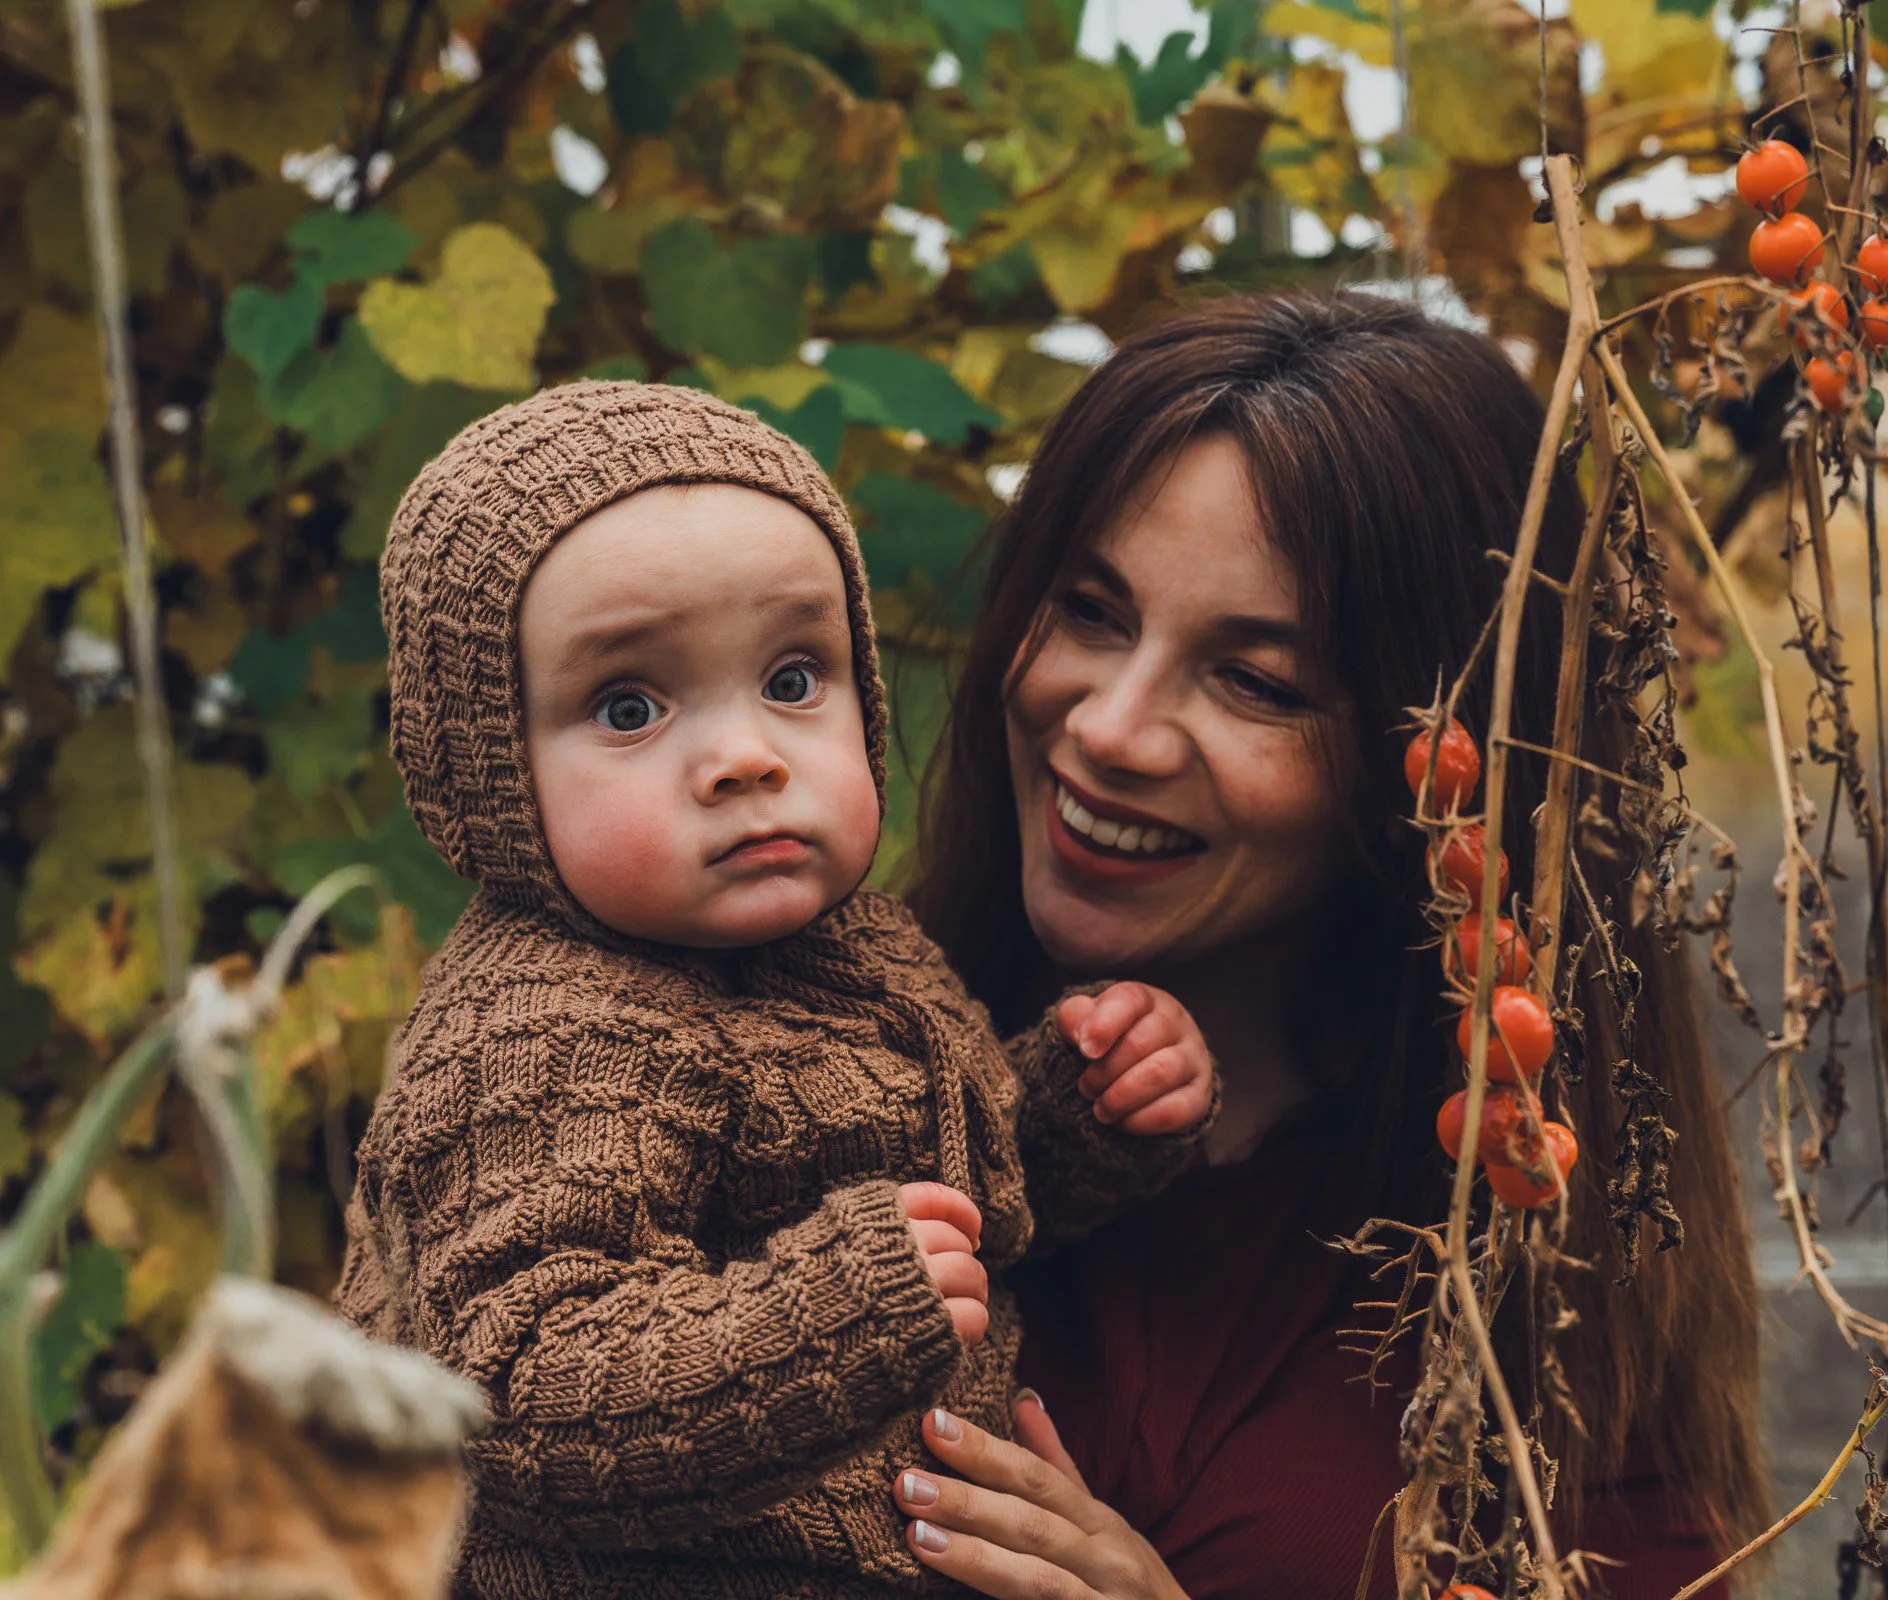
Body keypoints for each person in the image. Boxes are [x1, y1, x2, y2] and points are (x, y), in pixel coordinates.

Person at [891, 290, 1768, 1598]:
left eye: (1256, 683)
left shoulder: (1550, 1304)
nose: (1112, 729)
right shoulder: (794, 1089)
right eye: (1090, 612)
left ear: (1439, 775)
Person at [333, 381, 1217, 1598]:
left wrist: (1083, 1108)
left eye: (794, 678)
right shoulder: (539, 1032)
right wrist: (844, 1303)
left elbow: (955, 1195)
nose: (746, 757)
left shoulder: (852, 946)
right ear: (488, 769)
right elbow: (520, 1385)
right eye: (629, 707)